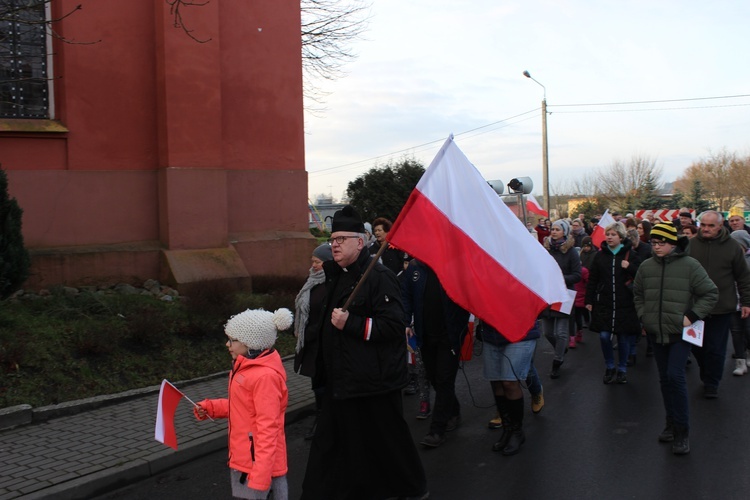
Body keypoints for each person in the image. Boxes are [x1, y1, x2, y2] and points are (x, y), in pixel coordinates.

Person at [301, 205, 428, 500]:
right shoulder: (335, 275)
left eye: (341, 239)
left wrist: (353, 324)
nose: (334, 245)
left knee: (389, 441)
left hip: (375, 382)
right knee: (331, 444)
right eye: (332, 240)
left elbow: (394, 325)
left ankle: (413, 488)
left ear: (360, 242)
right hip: (341, 380)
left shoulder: (379, 277)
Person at [633, 222, 718, 455]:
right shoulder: (646, 266)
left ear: (673, 243)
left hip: (681, 333)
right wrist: (644, 315)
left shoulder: (690, 265)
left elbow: (710, 293)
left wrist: (691, 316)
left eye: (662, 243)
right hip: (655, 331)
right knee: (664, 379)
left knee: (675, 376)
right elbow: (638, 294)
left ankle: (682, 431)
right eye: (654, 243)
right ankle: (670, 424)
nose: (657, 247)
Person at [194, 308, 293, 499]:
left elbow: (268, 427)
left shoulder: (264, 377)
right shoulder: (246, 369)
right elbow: (243, 407)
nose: (227, 344)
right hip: (247, 459)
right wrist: (211, 408)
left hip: (257, 466)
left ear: (251, 343)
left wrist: (261, 476)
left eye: (233, 340)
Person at [401, 259, 469, 448]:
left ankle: (437, 430)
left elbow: (467, 297)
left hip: (449, 336)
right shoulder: (415, 268)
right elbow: (405, 294)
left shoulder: (454, 266)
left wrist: (459, 326)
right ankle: (453, 410)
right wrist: (406, 321)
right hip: (425, 335)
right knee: (435, 378)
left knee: (445, 379)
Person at [687, 210, 750, 399]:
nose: (705, 229)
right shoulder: (690, 245)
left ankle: (711, 383)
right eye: (703, 225)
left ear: (720, 226)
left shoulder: (731, 247)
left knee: (715, 347)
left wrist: (746, 302)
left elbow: (743, 277)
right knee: (696, 346)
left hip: (722, 306)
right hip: (695, 307)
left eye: (710, 226)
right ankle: (706, 371)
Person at [585, 222, 641, 384]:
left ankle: (622, 369)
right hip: (605, 303)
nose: (609, 237)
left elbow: (641, 275)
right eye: (608, 234)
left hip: (625, 303)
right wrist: (589, 300)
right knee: (604, 336)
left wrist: (629, 267)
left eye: (613, 234)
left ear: (621, 237)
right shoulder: (600, 256)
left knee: (623, 338)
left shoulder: (631, 255)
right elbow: (593, 279)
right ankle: (610, 366)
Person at [479, 319, 541, 456]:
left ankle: (517, 432)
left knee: (509, 382)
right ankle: (508, 430)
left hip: (521, 333)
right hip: (492, 334)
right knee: (497, 382)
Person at [293, 243, 333, 440]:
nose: (314, 265)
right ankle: (322, 418)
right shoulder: (312, 281)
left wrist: (310, 333)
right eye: (313, 261)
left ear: (327, 263)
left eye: (317, 262)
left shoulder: (331, 284)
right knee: (316, 385)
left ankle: (324, 422)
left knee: (323, 385)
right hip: (310, 345)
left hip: (323, 345)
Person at [540, 219, 582, 377]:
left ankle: (557, 360)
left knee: (561, 332)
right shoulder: (545, 250)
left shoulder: (571, 251)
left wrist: (560, 278)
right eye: (552, 229)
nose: (553, 231)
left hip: (564, 294)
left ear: (564, 231)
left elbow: (577, 275)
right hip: (548, 294)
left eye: (557, 229)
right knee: (548, 332)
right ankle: (561, 347)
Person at [729, 230, 750, 376]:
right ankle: (740, 362)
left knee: (748, 331)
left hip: (747, 302)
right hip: (733, 302)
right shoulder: (728, 259)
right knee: (736, 333)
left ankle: (748, 352)